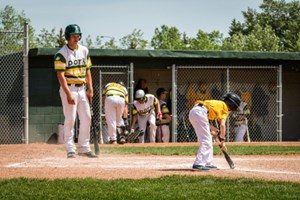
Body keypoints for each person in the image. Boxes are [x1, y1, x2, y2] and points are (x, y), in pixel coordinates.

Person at [54, 24, 97, 158]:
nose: (76, 38)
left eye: (78, 36)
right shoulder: (61, 54)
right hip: (69, 88)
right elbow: (60, 76)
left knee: (86, 118)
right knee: (70, 119)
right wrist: (68, 94)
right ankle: (70, 149)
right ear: (68, 37)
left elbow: (87, 70)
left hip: (82, 89)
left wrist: (90, 89)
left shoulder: (84, 50)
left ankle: (84, 148)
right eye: (73, 36)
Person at [189, 92, 241, 170]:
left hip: (194, 112)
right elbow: (223, 125)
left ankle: (208, 162)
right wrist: (222, 141)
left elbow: (203, 117)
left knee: (208, 139)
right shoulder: (225, 108)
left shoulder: (219, 104)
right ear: (232, 105)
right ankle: (198, 164)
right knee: (206, 140)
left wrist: (213, 129)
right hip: (200, 113)